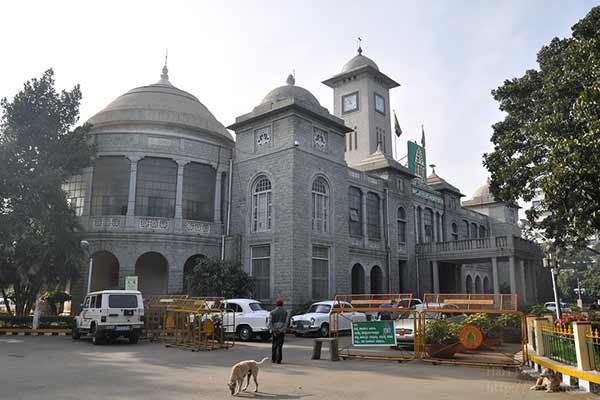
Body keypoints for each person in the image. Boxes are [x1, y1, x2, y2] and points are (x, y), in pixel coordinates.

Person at [268, 298, 289, 364]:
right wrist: (281, 330)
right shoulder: (285, 312)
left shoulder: (272, 312)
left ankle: (273, 359)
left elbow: (269, 323)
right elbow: (286, 323)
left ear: (276, 304)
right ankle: (279, 359)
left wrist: (273, 330)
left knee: (274, 344)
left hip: (274, 331)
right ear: (282, 304)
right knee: (280, 345)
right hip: (281, 331)